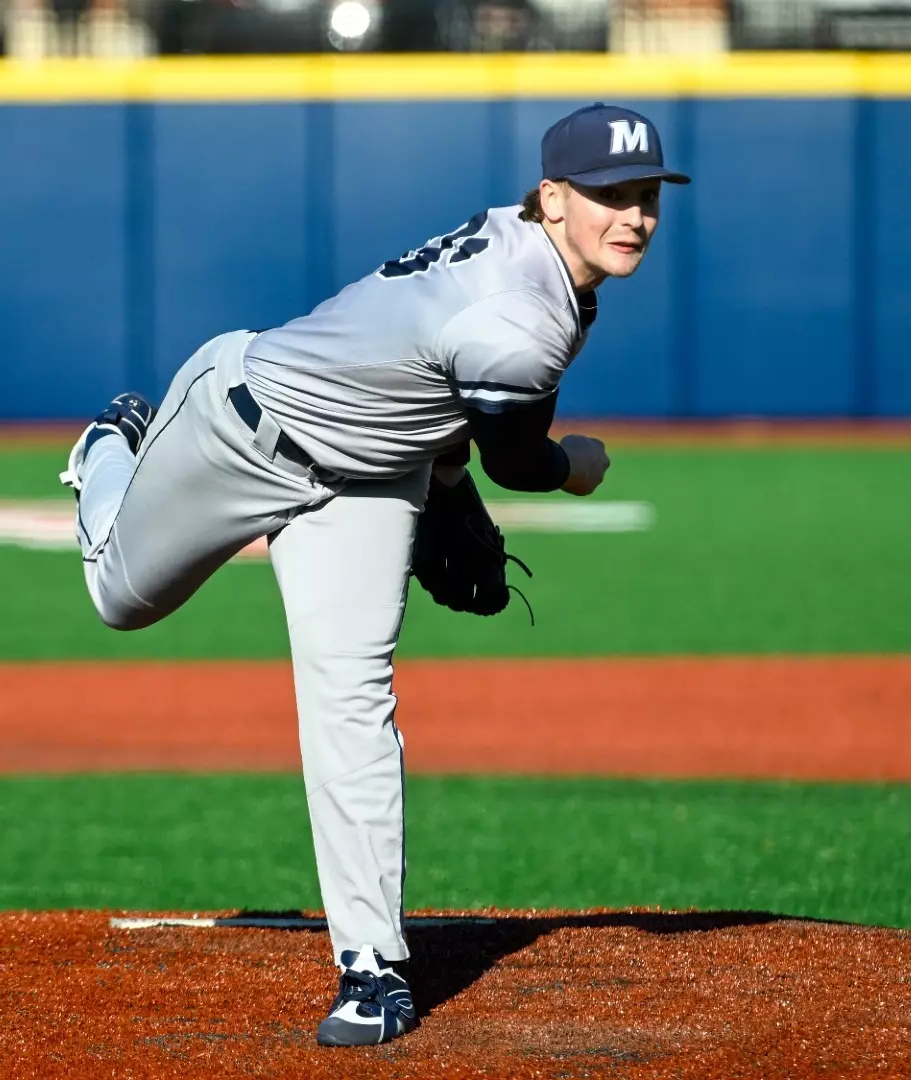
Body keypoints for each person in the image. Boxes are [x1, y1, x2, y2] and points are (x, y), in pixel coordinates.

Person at [59, 102, 687, 1047]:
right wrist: (573, 466)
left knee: (352, 695)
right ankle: (111, 444)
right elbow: (517, 456)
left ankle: (371, 967)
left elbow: (415, 363)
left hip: (370, 478)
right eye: (609, 197)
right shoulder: (520, 314)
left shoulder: (534, 251)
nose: (633, 217)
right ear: (553, 199)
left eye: (645, 197)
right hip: (241, 426)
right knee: (118, 597)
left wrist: (438, 474)